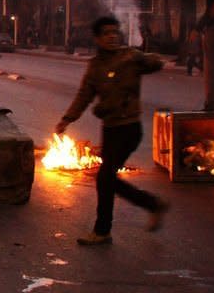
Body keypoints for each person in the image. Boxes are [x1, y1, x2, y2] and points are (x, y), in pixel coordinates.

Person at [55, 16, 168, 246]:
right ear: (97, 38)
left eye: (115, 32)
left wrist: (148, 58)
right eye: (107, 33)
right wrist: (67, 119)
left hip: (129, 128)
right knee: (107, 179)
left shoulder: (130, 57)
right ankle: (150, 205)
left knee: (105, 178)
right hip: (110, 129)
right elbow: (84, 95)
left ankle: (103, 230)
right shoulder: (95, 66)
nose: (112, 37)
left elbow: (155, 63)